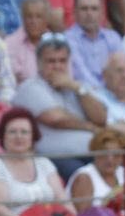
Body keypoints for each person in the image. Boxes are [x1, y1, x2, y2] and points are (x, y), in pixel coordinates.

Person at [12, 35, 106, 176]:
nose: (57, 66)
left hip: (93, 153)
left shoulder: (76, 87)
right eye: (51, 61)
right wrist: (91, 127)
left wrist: (76, 87)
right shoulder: (30, 87)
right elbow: (56, 119)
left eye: (62, 61)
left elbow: (101, 117)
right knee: (83, 175)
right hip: (55, 158)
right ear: (38, 63)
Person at [0, 106, 67, 216]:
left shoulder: (44, 163)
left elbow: (64, 201)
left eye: (24, 132)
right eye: (12, 132)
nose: (19, 136)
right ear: (3, 136)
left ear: (33, 136)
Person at [65, 0, 122, 88]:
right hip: (85, 97)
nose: (89, 14)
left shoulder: (113, 37)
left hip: (116, 93)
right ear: (74, 12)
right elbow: (81, 75)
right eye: (84, 9)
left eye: (94, 9)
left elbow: (124, 70)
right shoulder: (67, 40)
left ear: (102, 13)